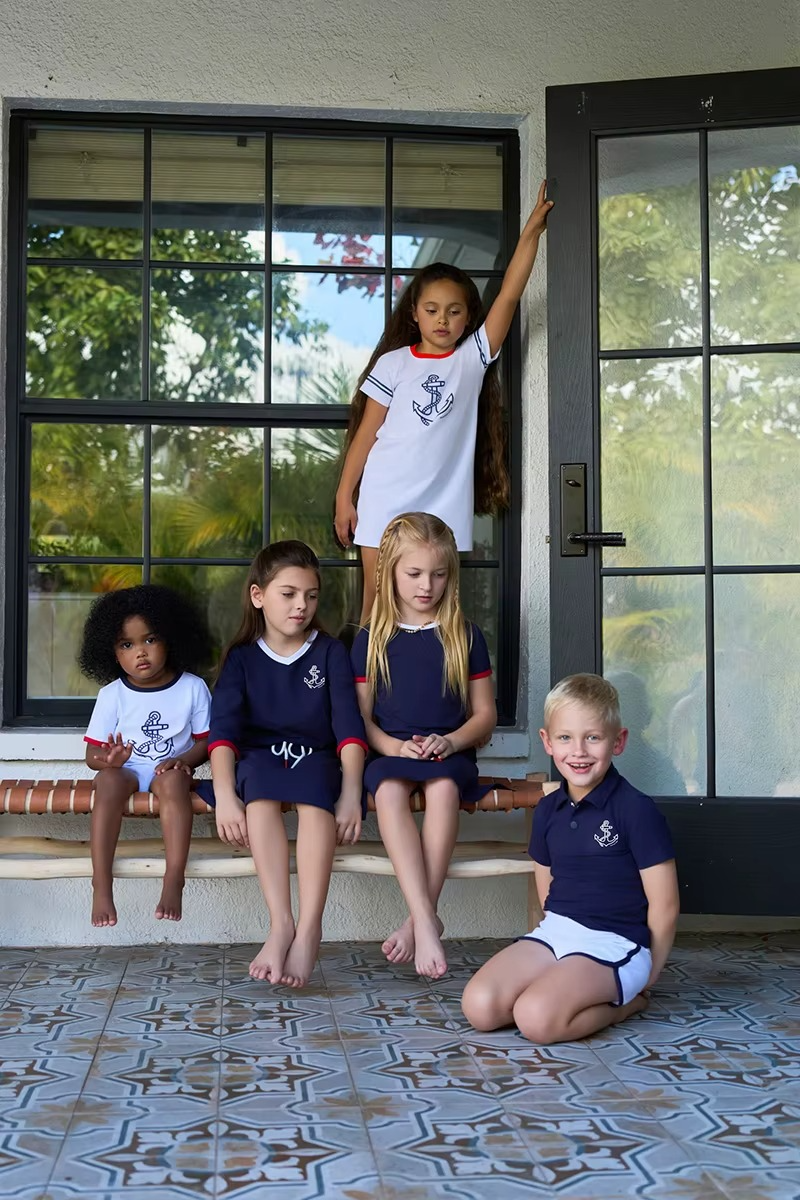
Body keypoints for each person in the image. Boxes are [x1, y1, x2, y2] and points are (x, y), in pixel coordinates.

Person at [335, 183, 553, 623]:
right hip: (384, 497)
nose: (442, 319)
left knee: (438, 610)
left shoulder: (472, 358)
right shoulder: (394, 363)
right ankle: (365, 672)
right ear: (414, 313)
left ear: (468, 318)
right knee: (376, 607)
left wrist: (532, 230)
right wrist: (345, 496)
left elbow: (509, 294)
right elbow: (367, 435)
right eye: (432, 309)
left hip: (442, 505)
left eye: (454, 311)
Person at [461, 673, 679, 1044]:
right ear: (547, 741)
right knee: (479, 1007)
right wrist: (550, 956)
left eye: (593, 737)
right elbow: (546, 888)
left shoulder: (636, 810)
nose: (578, 751)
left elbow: (666, 904)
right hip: (557, 933)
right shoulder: (548, 810)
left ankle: (625, 1005)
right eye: (565, 738)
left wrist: (649, 973)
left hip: (615, 943)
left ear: (618, 741)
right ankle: (560, 989)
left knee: (535, 1019)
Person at [205, 540, 367, 988]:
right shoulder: (241, 657)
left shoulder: (330, 652)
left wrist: (351, 794)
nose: (302, 606)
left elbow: (349, 729)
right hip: (260, 760)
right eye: (289, 594)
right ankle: (281, 923)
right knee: (258, 793)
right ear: (258, 596)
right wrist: (224, 796)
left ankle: (310, 927)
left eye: (311, 596)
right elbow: (223, 733)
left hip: (316, 758)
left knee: (316, 795)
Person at [351, 512, 496, 980]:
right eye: (414, 573)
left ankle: (419, 922)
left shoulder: (465, 635)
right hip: (390, 753)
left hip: (450, 754)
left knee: (444, 790)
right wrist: (393, 748)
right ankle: (427, 919)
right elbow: (361, 719)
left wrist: (450, 741)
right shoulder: (371, 638)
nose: (426, 586)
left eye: (438, 574)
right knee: (390, 791)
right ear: (389, 572)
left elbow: (485, 716)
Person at [80, 584, 212, 928]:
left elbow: (206, 742)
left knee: (173, 784)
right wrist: (109, 761)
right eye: (127, 644)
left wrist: (185, 760)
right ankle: (101, 883)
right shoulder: (112, 695)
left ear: (171, 639)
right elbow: (92, 754)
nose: (140, 652)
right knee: (107, 783)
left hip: (168, 770)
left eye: (150, 640)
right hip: (125, 769)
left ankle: (174, 878)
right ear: (112, 652)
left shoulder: (192, 687)